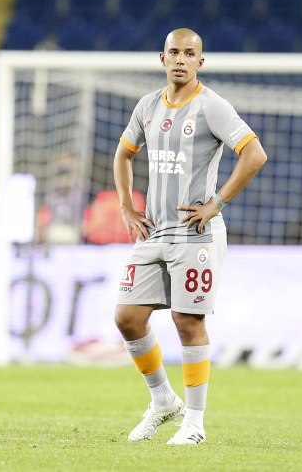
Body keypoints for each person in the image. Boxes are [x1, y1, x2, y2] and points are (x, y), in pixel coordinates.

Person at [114, 28, 267, 445]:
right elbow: (124, 153)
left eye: (189, 53)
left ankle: (195, 423)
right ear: (162, 58)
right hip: (153, 232)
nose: (180, 59)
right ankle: (164, 400)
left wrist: (217, 202)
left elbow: (254, 154)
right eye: (174, 52)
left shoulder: (211, 106)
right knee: (127, 318)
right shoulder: (147, 105)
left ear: (200, 62)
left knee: (187, 320)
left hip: (195, 234)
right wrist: (127, 206)